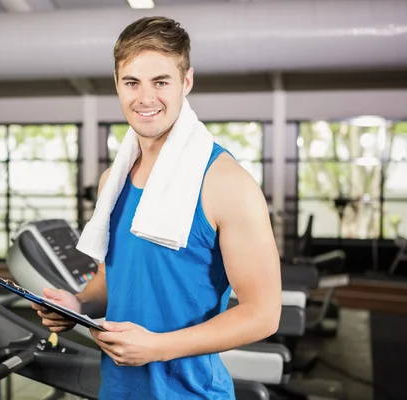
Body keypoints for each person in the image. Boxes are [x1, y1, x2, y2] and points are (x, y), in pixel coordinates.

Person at [32, 16, 282, 399]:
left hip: (192, 392)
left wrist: (157, 348)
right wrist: (79, 302)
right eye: (132, 82)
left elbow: (264, 314)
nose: (145, 98)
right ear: (117, 84)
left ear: (186, 82)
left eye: (161, 82)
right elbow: (118, 276)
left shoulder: (226, 183)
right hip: (117, 389)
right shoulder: (112, 181)